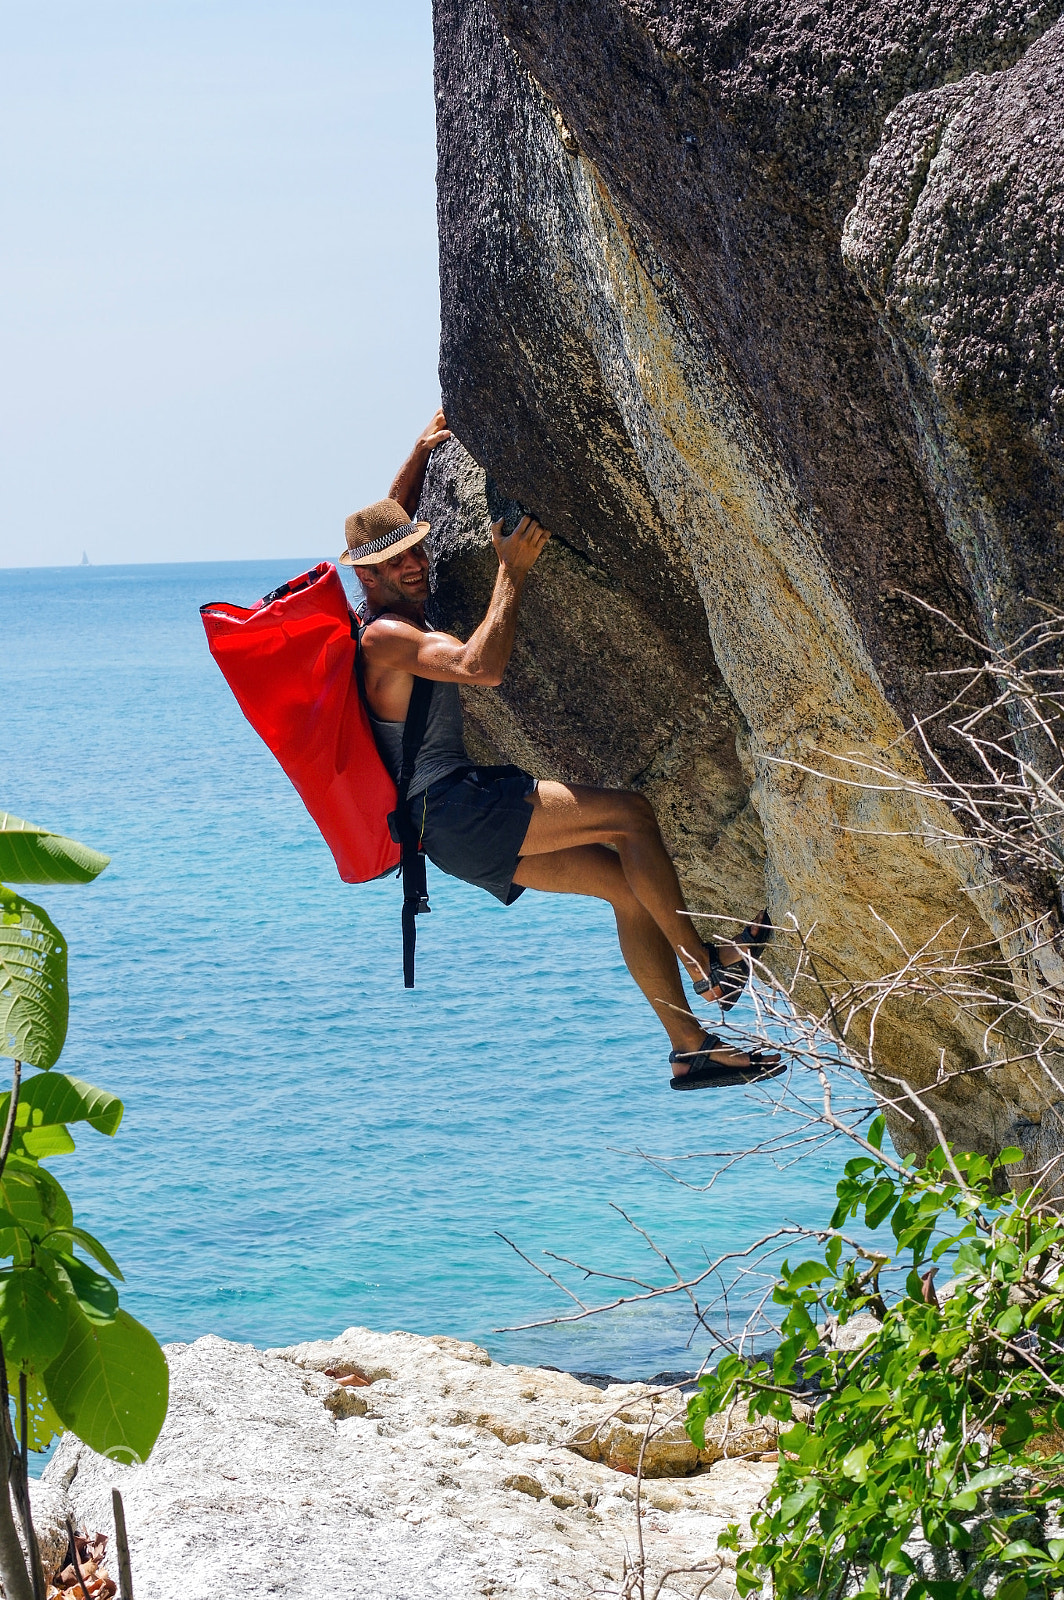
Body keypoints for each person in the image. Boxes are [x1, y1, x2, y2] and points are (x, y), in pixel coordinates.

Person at [343, 409, 781, 1090]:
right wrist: (510, 570)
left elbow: (387, 522)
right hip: (455, 808)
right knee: (629, 815)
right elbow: (480, 667)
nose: (414, 564)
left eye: (415, 550)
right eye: (395, 563)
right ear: (367, 578)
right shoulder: (386, 638)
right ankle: (708, 969)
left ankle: (689, 1048)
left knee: (626, 887)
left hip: (441, 834)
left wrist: (419, 452)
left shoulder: (374, 607)